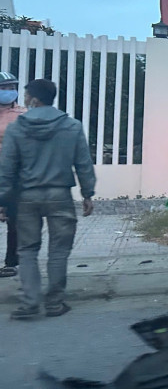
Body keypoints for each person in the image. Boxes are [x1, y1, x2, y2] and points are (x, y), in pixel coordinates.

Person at [0, 79, 95, 319]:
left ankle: (30, 303)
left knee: (27, 250)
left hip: (26, 198)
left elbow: (7, 168)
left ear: (33, 99)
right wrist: (87, 194)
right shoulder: (71, 126)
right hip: (59, 195)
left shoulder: (16, 128)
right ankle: (54, 303)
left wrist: (3, 199)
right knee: (58, 250)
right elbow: (83, 163)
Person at [0, 72, 26, 277]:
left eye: (12, 88)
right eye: (4, 88)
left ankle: (11, 262)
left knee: (15, 220)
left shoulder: (23, 114)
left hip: (14, 175)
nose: (9, 92)